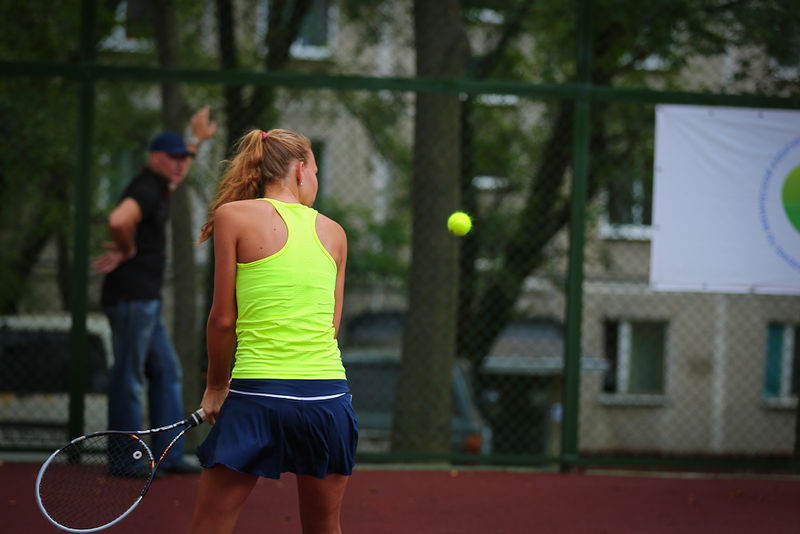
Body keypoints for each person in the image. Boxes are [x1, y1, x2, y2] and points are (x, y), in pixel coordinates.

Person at [187, 128, 357, 534]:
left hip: (257, 396)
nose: (315, 180)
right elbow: (330, 329)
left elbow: (223, 320)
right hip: (327, 400)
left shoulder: (232, 216)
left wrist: (216, 386)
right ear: (300, 171)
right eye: (315, 172)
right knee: (324, 527)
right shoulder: (335, 233)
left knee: (210, 525)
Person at [93, 106, 217, 475]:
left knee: (167, 372)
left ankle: (168, 456)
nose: (180, 165)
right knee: (129, 379)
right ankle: (126, 458)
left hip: (145, 300)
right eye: (173, 158)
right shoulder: (145, 189)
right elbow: (119, 220)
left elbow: (178, 175)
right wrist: (127, 248)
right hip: (131, 299)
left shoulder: (159, 185)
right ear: (154, 157)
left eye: (182, 159)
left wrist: (195, 142)